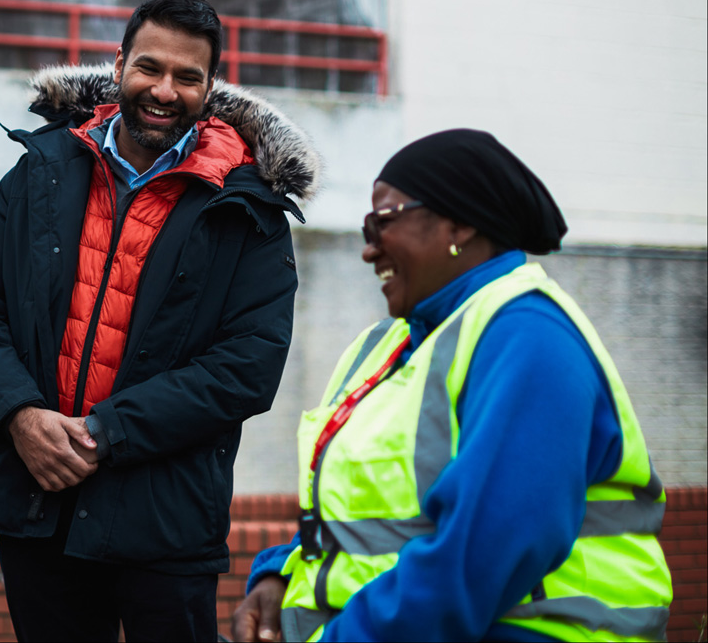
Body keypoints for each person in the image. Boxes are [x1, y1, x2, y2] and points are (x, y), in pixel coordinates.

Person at [0, 0, 321, 642]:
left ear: (210, 86)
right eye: (150, 68)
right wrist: (20, 417)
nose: (164, 90)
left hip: (165, 520)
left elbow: (246, 369)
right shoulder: (42, 170)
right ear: (119, 66)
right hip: (37, 503)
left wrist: (105, 432)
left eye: (188, 77)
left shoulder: (249, 210)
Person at [232, 129, 673, 643]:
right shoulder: (386, 345)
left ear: (459, 224)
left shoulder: (527, 336)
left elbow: (482, 556)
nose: (368, 250)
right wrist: (281, 574)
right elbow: (358, 509)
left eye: (384, 221)